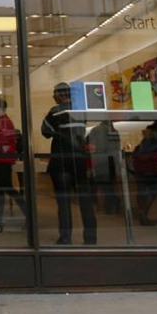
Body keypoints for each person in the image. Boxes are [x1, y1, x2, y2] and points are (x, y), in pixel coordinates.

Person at [41, 82, 97, 245]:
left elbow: (45, 131)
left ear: (58, 95)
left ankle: (65, 237)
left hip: (61, 162)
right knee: (85, 201)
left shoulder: (55, 112)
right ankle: (90, 238)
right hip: (80, 161)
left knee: (64, 202)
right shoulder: (81, 111)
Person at [0, 96, 26, 233]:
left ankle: (28, 214)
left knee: (6, 189)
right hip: (1, 160)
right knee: (1, 191)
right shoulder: (2, 122)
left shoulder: (4, 122)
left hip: (2, 161)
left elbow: (4, 143)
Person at [131, 120, 157, 226]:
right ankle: (143, 214)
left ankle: (141, 214)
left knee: (142, 191)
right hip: (152, 167)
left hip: (139, 167)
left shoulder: (147, 138)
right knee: (154, 190)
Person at [88, 120, 122, 215]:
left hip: (98, 161)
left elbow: (91, 147)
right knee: (114, 185)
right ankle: (114, 206)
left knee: (100, 186)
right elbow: (117, 149)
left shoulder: (94, 130)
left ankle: (100, 208)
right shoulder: (114, 132)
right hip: (112, 161)